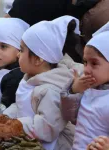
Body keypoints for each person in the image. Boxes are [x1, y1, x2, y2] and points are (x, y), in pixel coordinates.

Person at [3, 16, 82, 150]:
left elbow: (47, 127)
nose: (17, 55)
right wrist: (5, 117)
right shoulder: (30, 79)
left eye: (21, 50)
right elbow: (21, 105)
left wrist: (14, 124)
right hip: (28, 139)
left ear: (38, 59)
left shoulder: (51, 90)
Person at [61, 22, 109, 150]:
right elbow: (69, 116)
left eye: (94, 63)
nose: (86, 69)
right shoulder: (88, 88)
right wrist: (73, 90)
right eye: (85, 62)